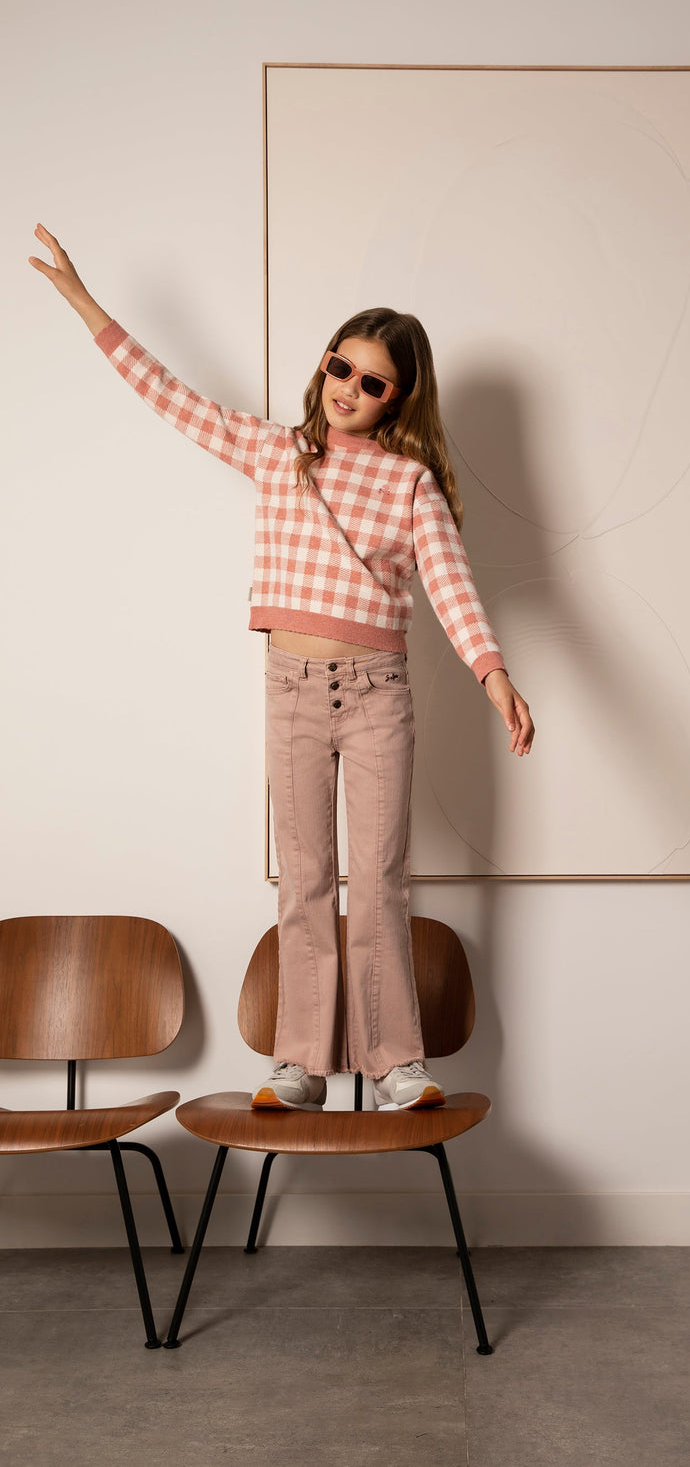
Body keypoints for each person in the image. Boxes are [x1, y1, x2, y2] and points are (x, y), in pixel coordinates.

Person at [29, 222, 534, 1114]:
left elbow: (451, 584)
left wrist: (494, 676)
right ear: (324, 365)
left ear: (399, 398)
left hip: (377, 697)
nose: (349, 389)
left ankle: (394, 1064)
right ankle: (299, 1061)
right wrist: (82, 302)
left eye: (372, 381)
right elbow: (171, 397)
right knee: (303, 880)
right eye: (341, 367)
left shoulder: (409, 483)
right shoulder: (276, 452)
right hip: (292, 692)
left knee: (379, 882)